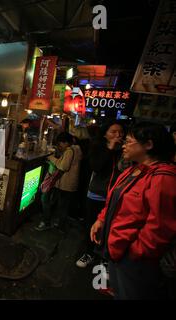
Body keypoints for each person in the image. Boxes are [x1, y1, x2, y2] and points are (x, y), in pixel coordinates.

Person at [90, 122, 176, 299]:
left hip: (133, 258)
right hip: (116, 249)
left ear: (149, 145)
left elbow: (160, 227)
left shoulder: (163, 178)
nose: (124, 145)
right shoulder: (135, 170)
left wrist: (133, 252)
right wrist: (101, 220)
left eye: (129, 141)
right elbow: (113, 200)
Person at [76, 121, 126, 268]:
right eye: (114, 132)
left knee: (110, 228)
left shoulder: (125, 151)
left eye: (121, 133)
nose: (118, 135)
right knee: (91, 225)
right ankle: (89, 253)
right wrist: (110, 148)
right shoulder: (98, 147)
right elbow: (96, 167)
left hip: (116, 197)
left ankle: (105, 257)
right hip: (97, 194)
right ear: (105, 134)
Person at [36, 132, 83, 231]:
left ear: (66, 142)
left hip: (65, 184)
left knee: (59, 205)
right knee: (62, 206)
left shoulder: (69, 151)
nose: (60, 146)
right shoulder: (77, 148)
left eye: (60, 143)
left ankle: (54, 225)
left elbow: (63, 166)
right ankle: (59, 225)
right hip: (71, 184)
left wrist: (51, 158)